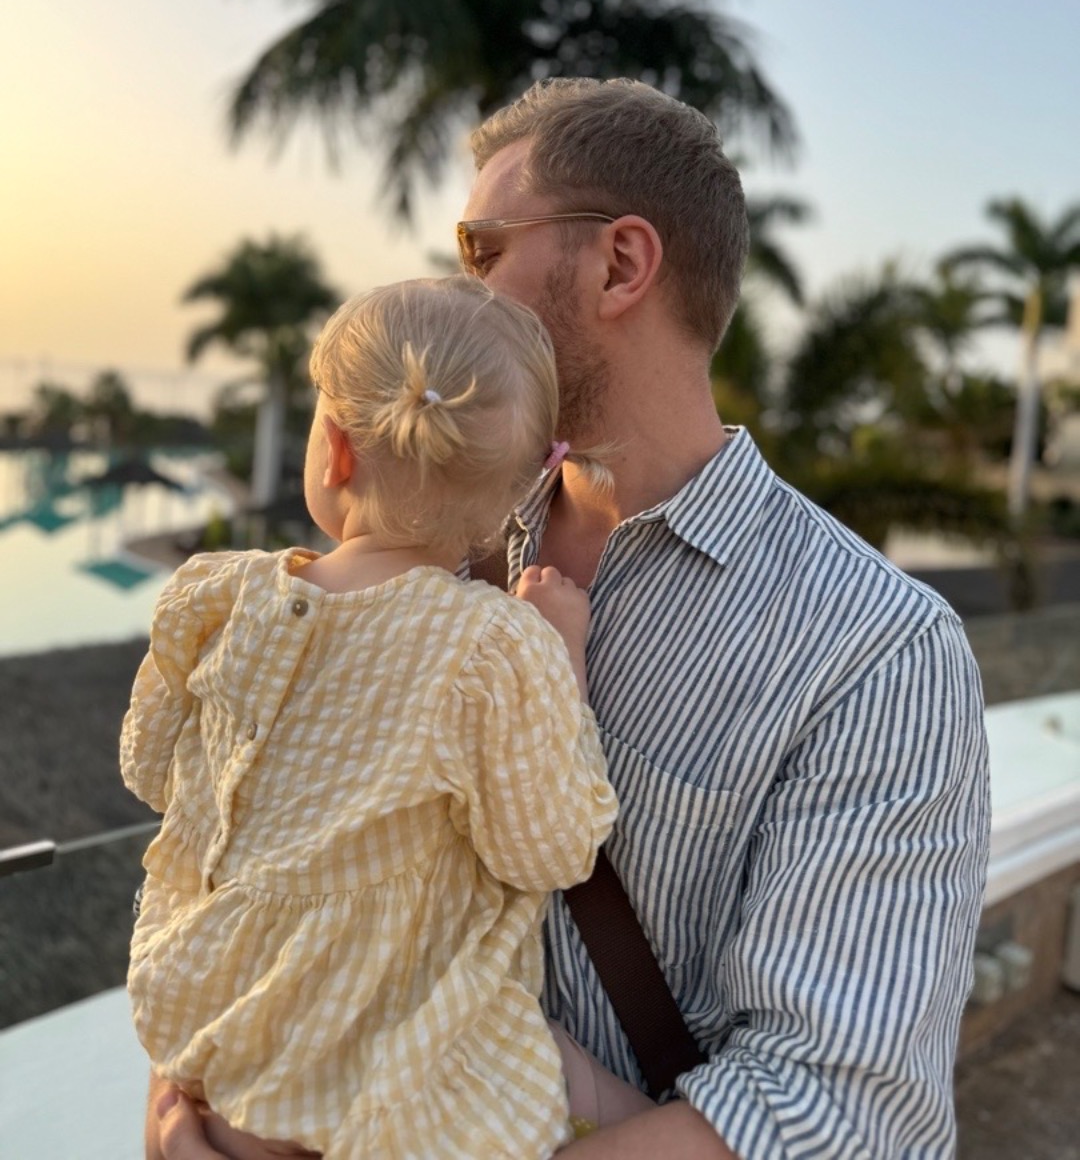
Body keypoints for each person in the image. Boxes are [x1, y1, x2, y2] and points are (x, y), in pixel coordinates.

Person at [151, 80, 990, 1160]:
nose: (460, 288)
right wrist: (190, 1101)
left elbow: (837, 1116)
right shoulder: (413, 550)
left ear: (619, 265)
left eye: (482, 248)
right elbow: (242, 844)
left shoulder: (876, 650)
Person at [124, 275, 654, 1159]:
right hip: (392, 1073)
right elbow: (550, 850)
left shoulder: (214, 600)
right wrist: (561, 653)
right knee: (644, 1115)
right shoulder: (492, 646)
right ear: (520, 486)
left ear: (335, 450)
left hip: (213, 1038)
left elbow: (148, 769)